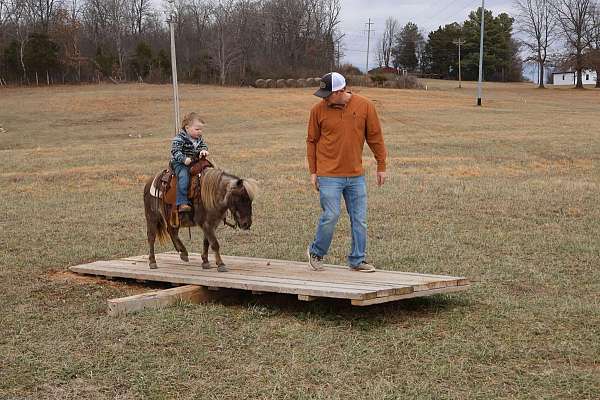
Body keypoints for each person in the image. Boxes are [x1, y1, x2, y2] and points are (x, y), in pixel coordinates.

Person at [306, 72, 387, 272]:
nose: (324, 97)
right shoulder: (317, 110)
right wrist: (313, 171)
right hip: (328, 174)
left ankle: (357, 260)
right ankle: (316, 251)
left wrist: (381, 165)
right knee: (331, 215)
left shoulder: (365, 106)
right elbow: (311, 141)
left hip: (355, 175)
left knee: (359, 219)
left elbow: (375, 137)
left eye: (328, 93)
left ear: (341, 91)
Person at [170, 112, 209, 212]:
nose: (200, 132)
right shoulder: (179, 138)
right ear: (187, 128)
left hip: (193, 161)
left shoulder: (199, 138)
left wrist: (203, 150)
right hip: (179, 163)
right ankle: (182, 202)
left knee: (207, 172)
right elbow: (175, 151)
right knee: (184, 176)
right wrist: (184, 159)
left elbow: (203, 146)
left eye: (201, 129)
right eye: (197, 129)